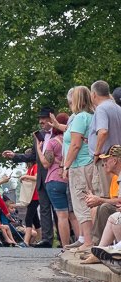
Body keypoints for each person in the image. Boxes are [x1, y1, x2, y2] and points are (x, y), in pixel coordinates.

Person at [4, 107, 58, 248]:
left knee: (59, 210)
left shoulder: (59, 133)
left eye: (44, 119)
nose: (41, 122)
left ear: (52, 118)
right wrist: (15, 156)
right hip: (41, 178)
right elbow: (32, 156)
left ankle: (66, 239)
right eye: (40, 119)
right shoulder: (38, 135)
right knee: (45, 209)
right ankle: (47, 239)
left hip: (55, 176)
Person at [62, 86, 98, 253]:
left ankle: (88, 241)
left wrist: (66, 165)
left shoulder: (79, 118)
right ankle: (89, 239)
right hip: (90, 163)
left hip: (80, 165)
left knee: (81, 203)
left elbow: (75, 144)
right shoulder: (92, 116)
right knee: (91, 201)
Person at [38, 113, 77, 247]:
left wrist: (38, 149)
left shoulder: (53, 142)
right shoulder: (74, 140)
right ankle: (80, 242)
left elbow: (46, 163)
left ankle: (65, 246)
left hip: (54, 179)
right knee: (73, 215)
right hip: (70, 178)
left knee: (62, 215)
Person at [90, 81, 120, 189]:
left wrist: (96, 153)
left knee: (105, 198)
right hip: (117, 159)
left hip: (105, 160)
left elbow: (103, 132)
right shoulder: (117, 108)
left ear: (94, 94)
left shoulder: (101, 108)